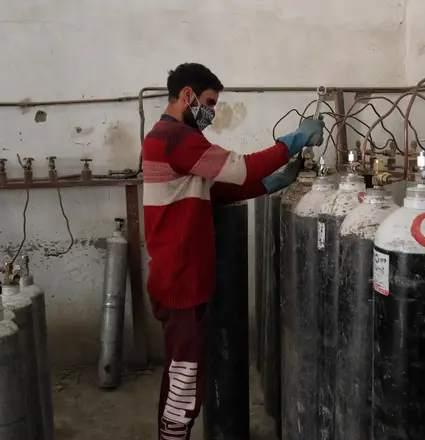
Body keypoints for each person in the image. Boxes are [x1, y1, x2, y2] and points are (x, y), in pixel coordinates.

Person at [142, 62, 324, 440]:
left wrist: (273, 182)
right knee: (185, 379)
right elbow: (240, 168)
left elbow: (220, 190)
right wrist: (293, 141)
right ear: (187, 95)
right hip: (181, 281)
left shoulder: (172, 139)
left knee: (186, 372)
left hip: (182, 278)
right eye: (209, 102)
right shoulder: (175, 137)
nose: (211, 112)